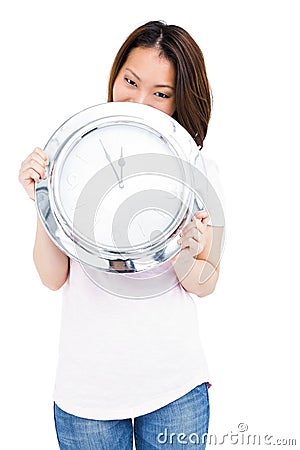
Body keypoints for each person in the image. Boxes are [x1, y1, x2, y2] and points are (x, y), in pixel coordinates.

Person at [18, 20, 224, 450]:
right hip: (86, 393)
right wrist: (43, 199)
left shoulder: (196, 171)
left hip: (174, 388)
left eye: (161, 94)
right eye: (130, 81)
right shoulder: (75, 156)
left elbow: (204, 285)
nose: (139, 100)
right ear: (115, 75)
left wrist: (189, 251)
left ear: (179, 100)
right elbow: (53, 277)